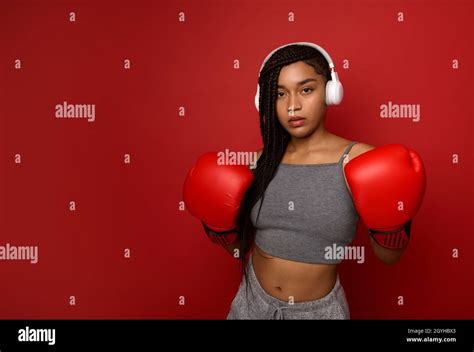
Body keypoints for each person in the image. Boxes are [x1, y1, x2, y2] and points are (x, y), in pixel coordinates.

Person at [183, 42, 426, 320]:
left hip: (317, 312)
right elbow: (240, 250)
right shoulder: (256, 163)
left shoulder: (359, 161)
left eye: (306, 89)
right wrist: (219, 229)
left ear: (331, 91)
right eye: (280, 94)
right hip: (250, 305)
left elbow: (389, 257)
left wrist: (392, 225)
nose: (293, 105)